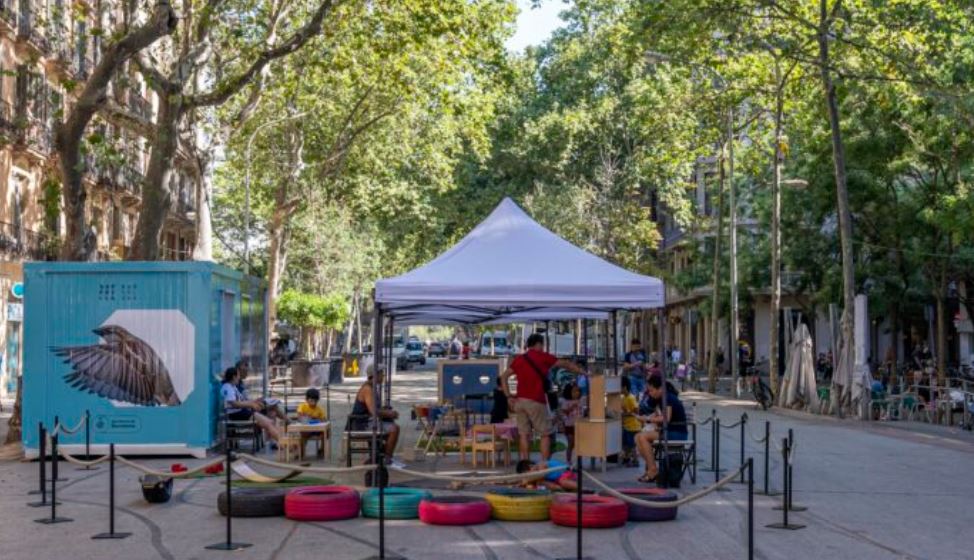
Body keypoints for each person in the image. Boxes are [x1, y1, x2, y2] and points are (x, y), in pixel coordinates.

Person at [500, 333, 586, 461]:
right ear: (538, 344)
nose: (544, 347)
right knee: (545, 434)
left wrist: (508, 397)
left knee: (524, 434)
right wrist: (582, 371)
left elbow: (503, 377)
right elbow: (564, 364)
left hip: (519, 401)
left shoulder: (519, 359)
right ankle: (544, 466)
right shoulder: (543, 357)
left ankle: (525, 464)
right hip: (536, 401)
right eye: (543, 344)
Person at [634, 375, 688, 483]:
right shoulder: (659, 399)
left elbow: (666, 418)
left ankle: (653, 470)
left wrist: (649, 420)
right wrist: (645, 418)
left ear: (660, 388)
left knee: (643, 437)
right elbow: (656, 415)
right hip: (667, 431)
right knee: (637, 437)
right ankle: (651, 469)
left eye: (652, 390)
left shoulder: (668, 397)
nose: (650, 393)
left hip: (676, 433)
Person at [349, 366, 401, 463]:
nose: (383, 376)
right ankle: (387, 457)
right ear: (375, 375)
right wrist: (389, 414)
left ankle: (380, 454)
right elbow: (374, 411)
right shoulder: (368, 389)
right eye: (382, 374)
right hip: (362, 424)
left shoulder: (372, 387)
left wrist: (387, 412)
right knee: (394, 429)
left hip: (368, 421)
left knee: (392, 425)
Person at [221, 366, 281, 445]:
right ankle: (284, 444)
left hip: (243, 411)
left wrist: (255, 401)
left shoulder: (233, 386)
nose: (239, 378)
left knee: (271, 413)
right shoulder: (227, 388)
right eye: (238, 375)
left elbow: (242, 400)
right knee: (268, 423)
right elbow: (234, 403)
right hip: (237, 414)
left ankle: (276, 441)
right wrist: (251, 404)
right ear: (234, 377)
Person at [558, 383, 583, 463]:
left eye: (578, 391)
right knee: (571, 443)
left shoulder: (580, 401)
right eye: (574, 391)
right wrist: (571, 407)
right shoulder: (566, 402)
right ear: (569, 392)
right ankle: (568, 461)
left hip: (578, 425)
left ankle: (576, 461)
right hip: (569, 425)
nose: (577, 393)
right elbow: (563, 412)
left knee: (577, 443)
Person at [621, 376, 641, 467]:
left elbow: (636, 410)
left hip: (633, 426)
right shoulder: (623, 397)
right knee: (627, 444)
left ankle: (635, 460)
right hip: (627, 425)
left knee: (631, 445)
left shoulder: (630, 398)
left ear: (624, 387)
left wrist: (626, 414)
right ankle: (627, 458)